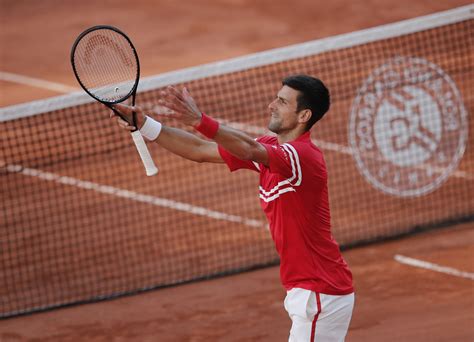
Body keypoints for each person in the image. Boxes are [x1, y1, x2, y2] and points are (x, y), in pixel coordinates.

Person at [111, 75, 354, 341]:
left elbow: (248, 149)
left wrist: (199, 120)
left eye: (282, 102)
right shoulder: (273, 149)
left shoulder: (300, 156)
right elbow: (200, 149)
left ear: (303, 115)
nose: (271, 105)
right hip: (311, 289)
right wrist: (144, 125)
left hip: (320, 292)